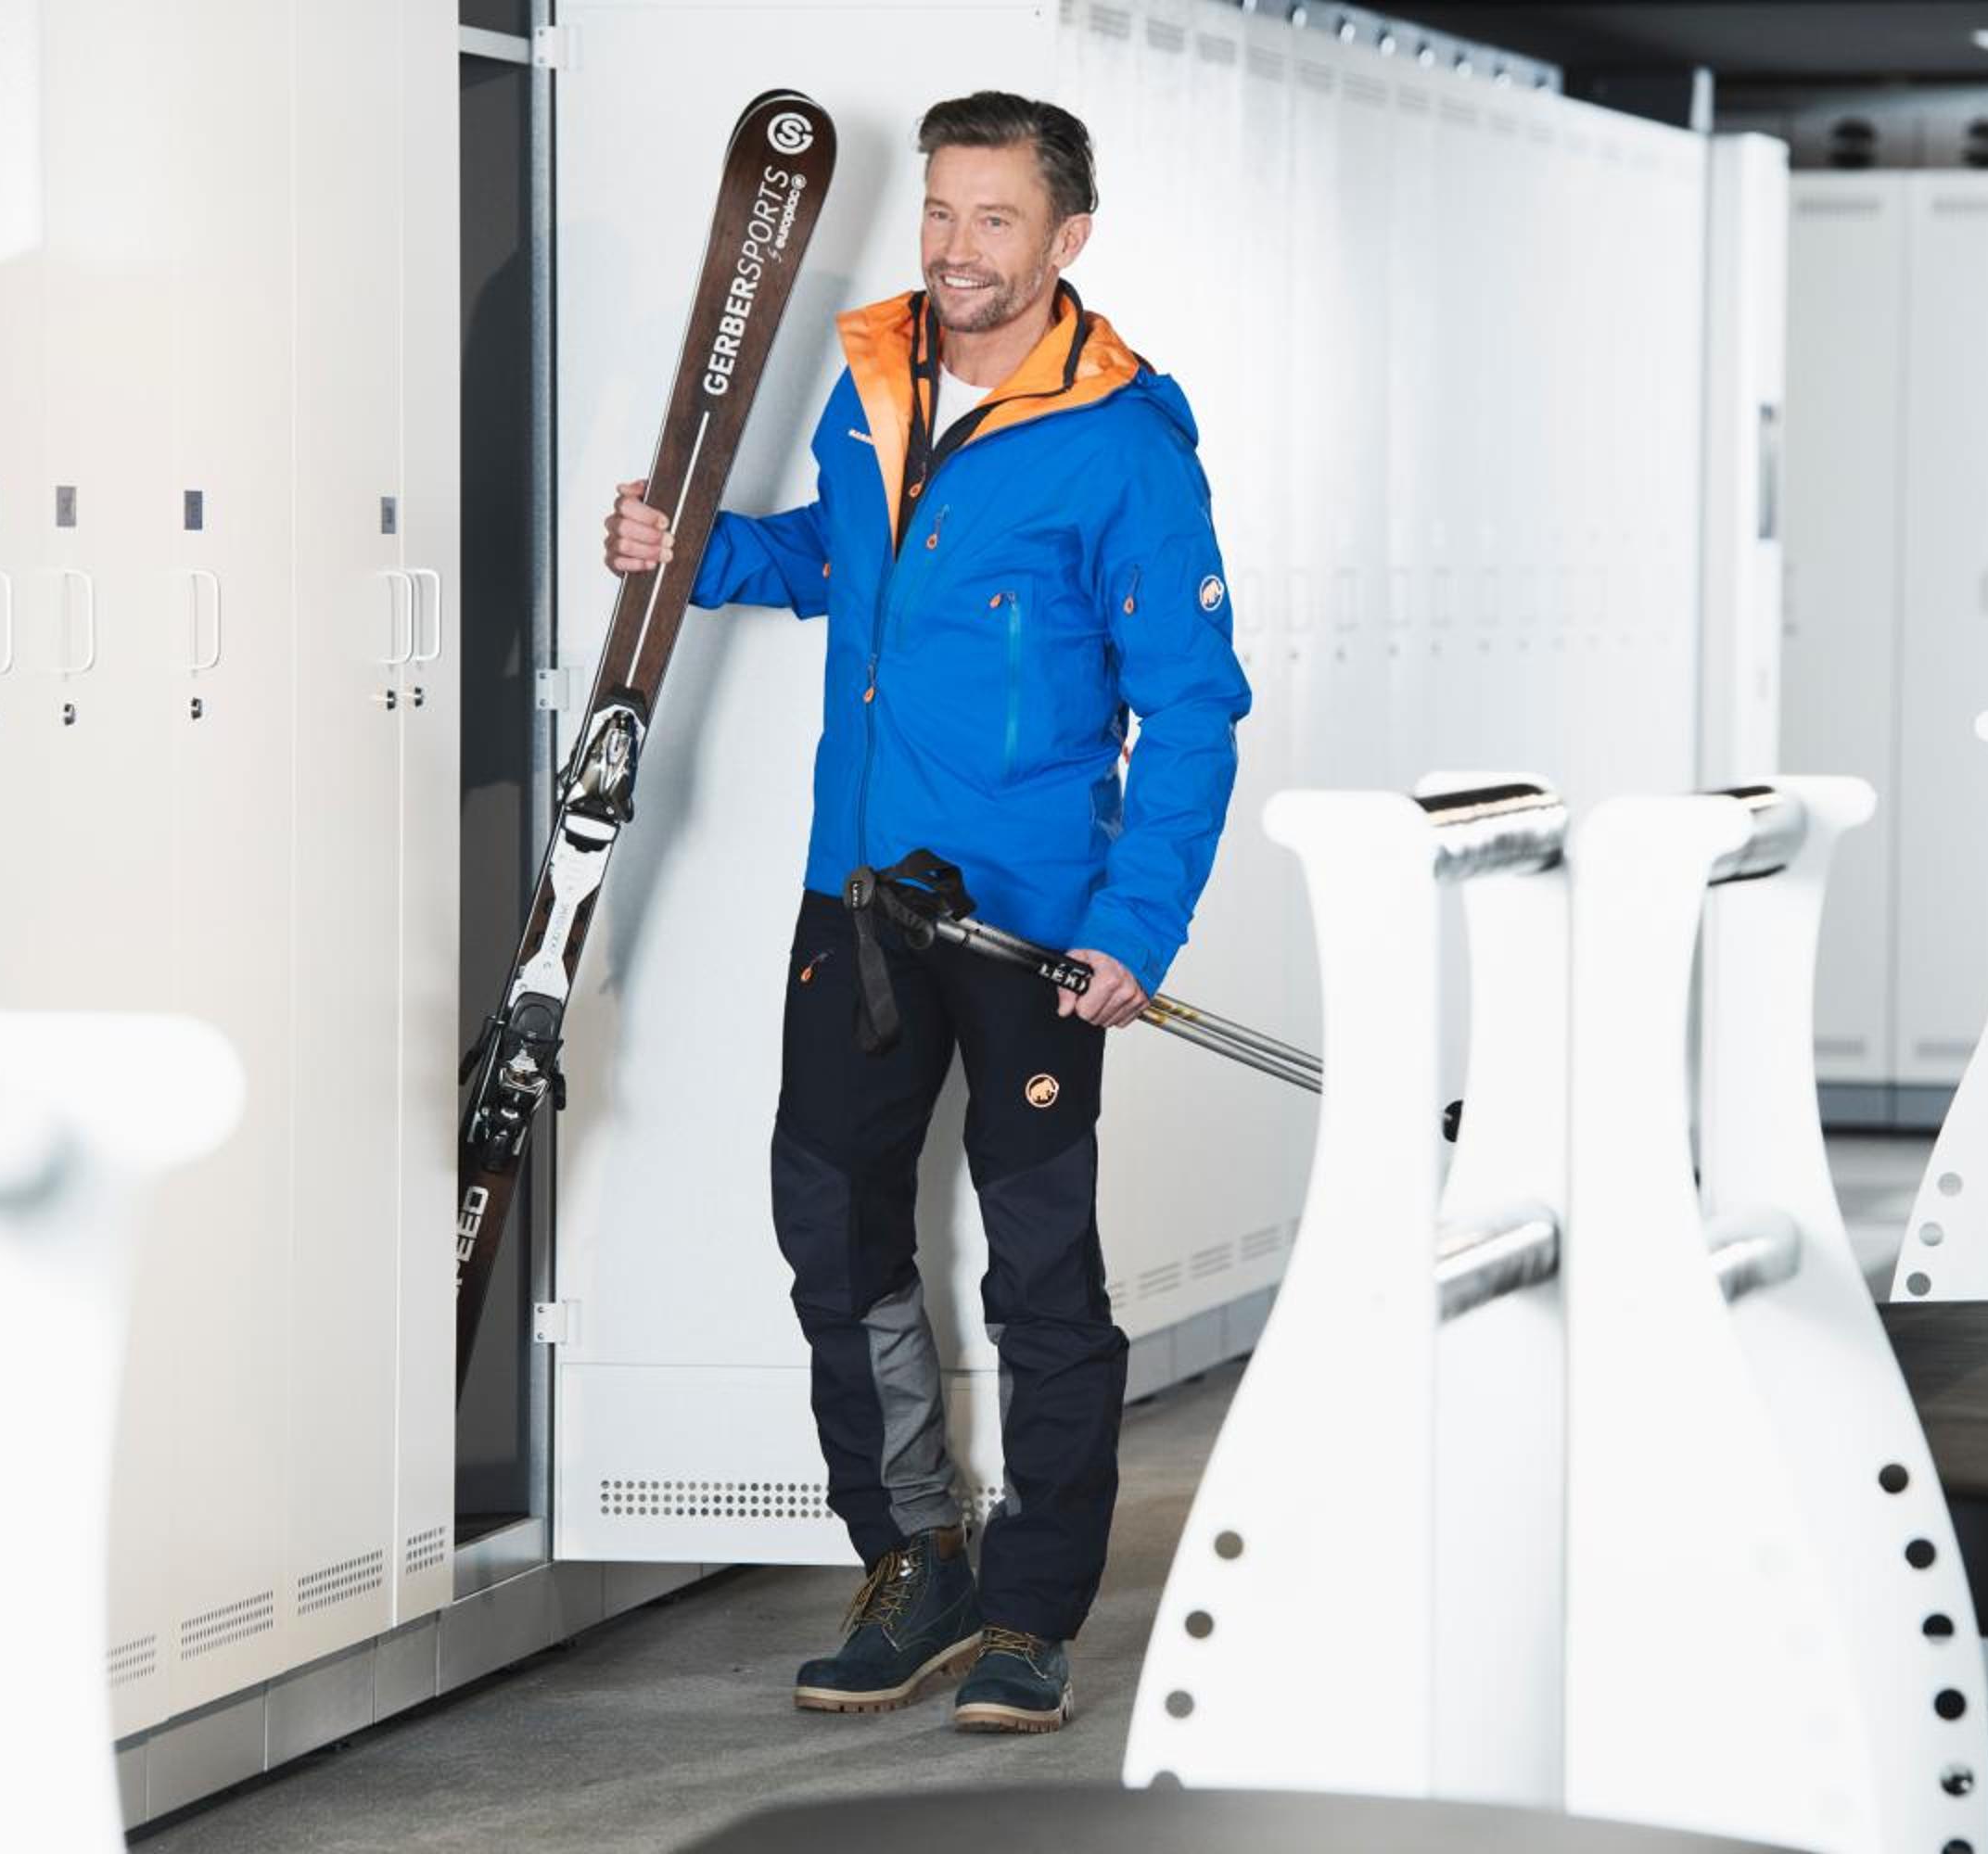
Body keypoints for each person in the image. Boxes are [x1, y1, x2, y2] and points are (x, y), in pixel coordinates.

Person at [603, 91, 1248, 1733]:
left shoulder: (1122, 442)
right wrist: (696, 551)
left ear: (1067, 238)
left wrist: (1135, 931)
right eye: (942, 212)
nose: (957, 248)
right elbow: (843, 561)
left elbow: (1191, 711)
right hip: (858, 898)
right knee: (832, 1228)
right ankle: (914, 1559)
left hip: (1034, 929)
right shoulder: (876, 373)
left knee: (1039, 1272)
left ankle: (1033, 1610)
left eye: (995, 219)